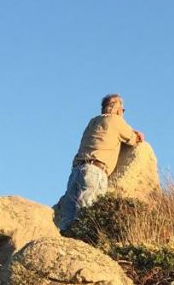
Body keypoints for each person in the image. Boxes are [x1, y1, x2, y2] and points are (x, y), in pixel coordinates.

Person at [56, 94, 144, 231]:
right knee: (86, 214)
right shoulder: (115, 120)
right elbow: (133, 139)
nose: (123, 113)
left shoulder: (92, 122)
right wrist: (137, 135)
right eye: (123, 109)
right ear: (116, 108)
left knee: (67, 219)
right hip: (95, 170)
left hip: (76, 171)